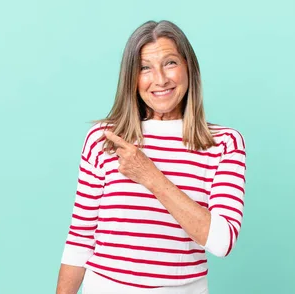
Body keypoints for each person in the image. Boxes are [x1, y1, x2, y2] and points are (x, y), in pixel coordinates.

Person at [55, 20, 247, 294]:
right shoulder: (104, 139)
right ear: (132, 78)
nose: (160, 79)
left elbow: (222, 241)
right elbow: (80, 239)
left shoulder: (223, 143)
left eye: (170, 63)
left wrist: (150, 176)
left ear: (188, 68)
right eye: (145, 68)